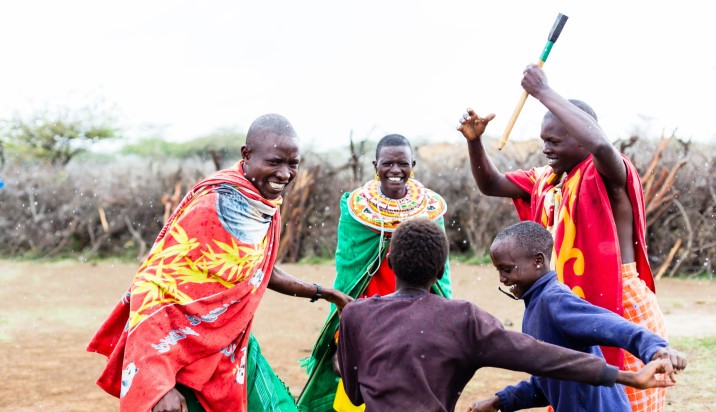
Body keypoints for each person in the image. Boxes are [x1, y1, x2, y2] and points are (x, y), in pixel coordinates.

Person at [87, 113, 352, 412]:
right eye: (275, 162)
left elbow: (262, 271)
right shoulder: (214, 204)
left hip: (230, 350)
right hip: (181, 357)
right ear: (246, 154)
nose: (284, 174)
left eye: (293, 164)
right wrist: (158, 382)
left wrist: (324, 293)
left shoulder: (260, 204)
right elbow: (154, 287)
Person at [457, 64, 670, 410]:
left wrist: (543, 92)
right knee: (578, 393)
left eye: (554, 141)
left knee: (628, 401)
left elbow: (600, 145)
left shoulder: (608, 173)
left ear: (580, 135)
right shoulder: (546, 181)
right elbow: (491, 184)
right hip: (569, 307)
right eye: (544, 141)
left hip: (621, 299)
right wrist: (475, 142)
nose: (546, 150)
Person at [337, 218, 676, 412]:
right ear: (441, 270)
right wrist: (626, 377)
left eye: (507, 268)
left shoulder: (356, 316)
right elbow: (543, 359)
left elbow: (355, 394)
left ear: (391, 262)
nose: (503, 277)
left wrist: (344, 360)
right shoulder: (464, 320)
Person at [298, 134, 452, 411]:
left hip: (418, 313)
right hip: (368, 313)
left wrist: (446, 319)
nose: (395, 170)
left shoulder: (429, 209)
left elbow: (443, 270)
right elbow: (348, 272)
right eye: (387, 163)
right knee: (359, 392)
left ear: (412, 164)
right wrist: (342, 335)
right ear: (375, 165)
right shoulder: (355, 209)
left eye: (402, 163)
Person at [465, 221, 686, 412]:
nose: (503, 279)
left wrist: (655, 348)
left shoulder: (555, 301)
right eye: (499, 271)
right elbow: (548, 380)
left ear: (538, 261)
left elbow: (613, 326)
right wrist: (500, 401)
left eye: (507, 269)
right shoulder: (535, 306)